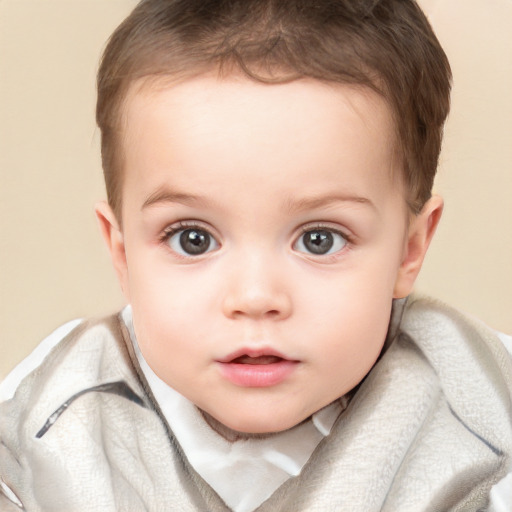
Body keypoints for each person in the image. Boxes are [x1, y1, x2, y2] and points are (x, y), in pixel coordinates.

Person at [1, 0, 511, 510]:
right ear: (123, 253)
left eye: (320, 239)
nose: (255, 297)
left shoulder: (486, 417)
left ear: (409, 249)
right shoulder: (45, 421)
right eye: (192, 238)